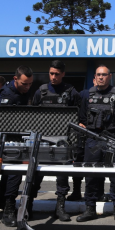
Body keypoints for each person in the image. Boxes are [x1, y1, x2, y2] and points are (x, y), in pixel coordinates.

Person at [76, 65, 115, 224]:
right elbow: (82, 117)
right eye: (98, 74)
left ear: (109, 76)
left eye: (104, 75)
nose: (100, 77)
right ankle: (90, 208)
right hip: (93, 138)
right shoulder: (87, 94)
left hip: (113, 138)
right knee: (91, 176)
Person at [31, 60, 81, 221]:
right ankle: (28, 205)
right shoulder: (41, 91)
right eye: (51, 73)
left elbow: (78, 116)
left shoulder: (71, 92)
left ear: (63, 74)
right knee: (35, 175)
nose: (53, 77)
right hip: (43, 140)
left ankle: (60, 207)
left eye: (56, 74)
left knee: (62, 176)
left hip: (63, 141)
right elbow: (33, 116)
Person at [0, 65, 34, 227]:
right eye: (24, 84)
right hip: (6, 140)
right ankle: (8, 207)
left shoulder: (25, 92)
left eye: (30, 84)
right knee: (13, 175)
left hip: (20, 140)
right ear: (15, 79)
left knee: (11, 175)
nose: (28, 87)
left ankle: (2, 202)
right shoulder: (5, 94)